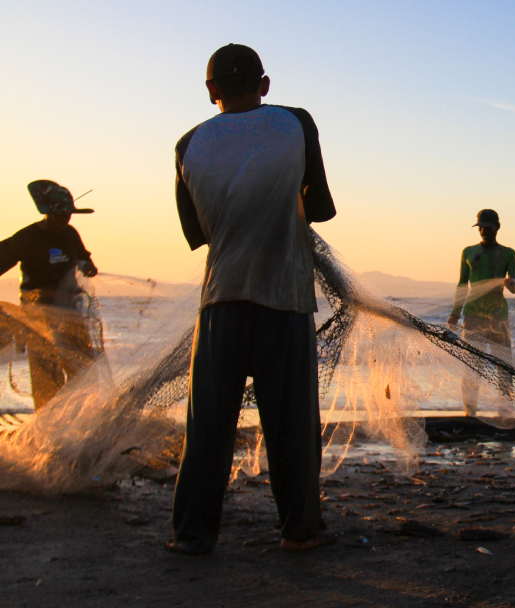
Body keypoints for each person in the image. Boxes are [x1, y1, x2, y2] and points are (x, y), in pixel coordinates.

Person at [168, 43, 336, 555]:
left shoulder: (187, 144)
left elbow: (197, 232)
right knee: (291, 425)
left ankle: (194, 535)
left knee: (208, 427)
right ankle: (299, 532)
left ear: (210, 91)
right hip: (284, 297)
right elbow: (321, 208)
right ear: (265, 85)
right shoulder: (297, 123)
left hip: (220, 300)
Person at [0, 180, 98, 409]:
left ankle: (80, 419)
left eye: (69, 215)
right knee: (46, 373)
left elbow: (83, 257)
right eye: (62, 215)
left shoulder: (70, 234)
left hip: (70, 313)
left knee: (83, 367)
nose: (66, 219)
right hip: (38, 316)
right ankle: (49, 426)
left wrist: (88, 266)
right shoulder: (26, 238)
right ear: (49, 214)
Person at [447, 209, 515, 416]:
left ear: (497, 227)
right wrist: (455, 313)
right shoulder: (468, 252)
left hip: (499, 317)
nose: (484, 231)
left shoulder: (508, 253)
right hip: (472, 317)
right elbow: (462, 285)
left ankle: (504, 413)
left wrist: (510, 283)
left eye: (488, 227)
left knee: (504, 368)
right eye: (481, 227)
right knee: (472, 367)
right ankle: (469, 414)